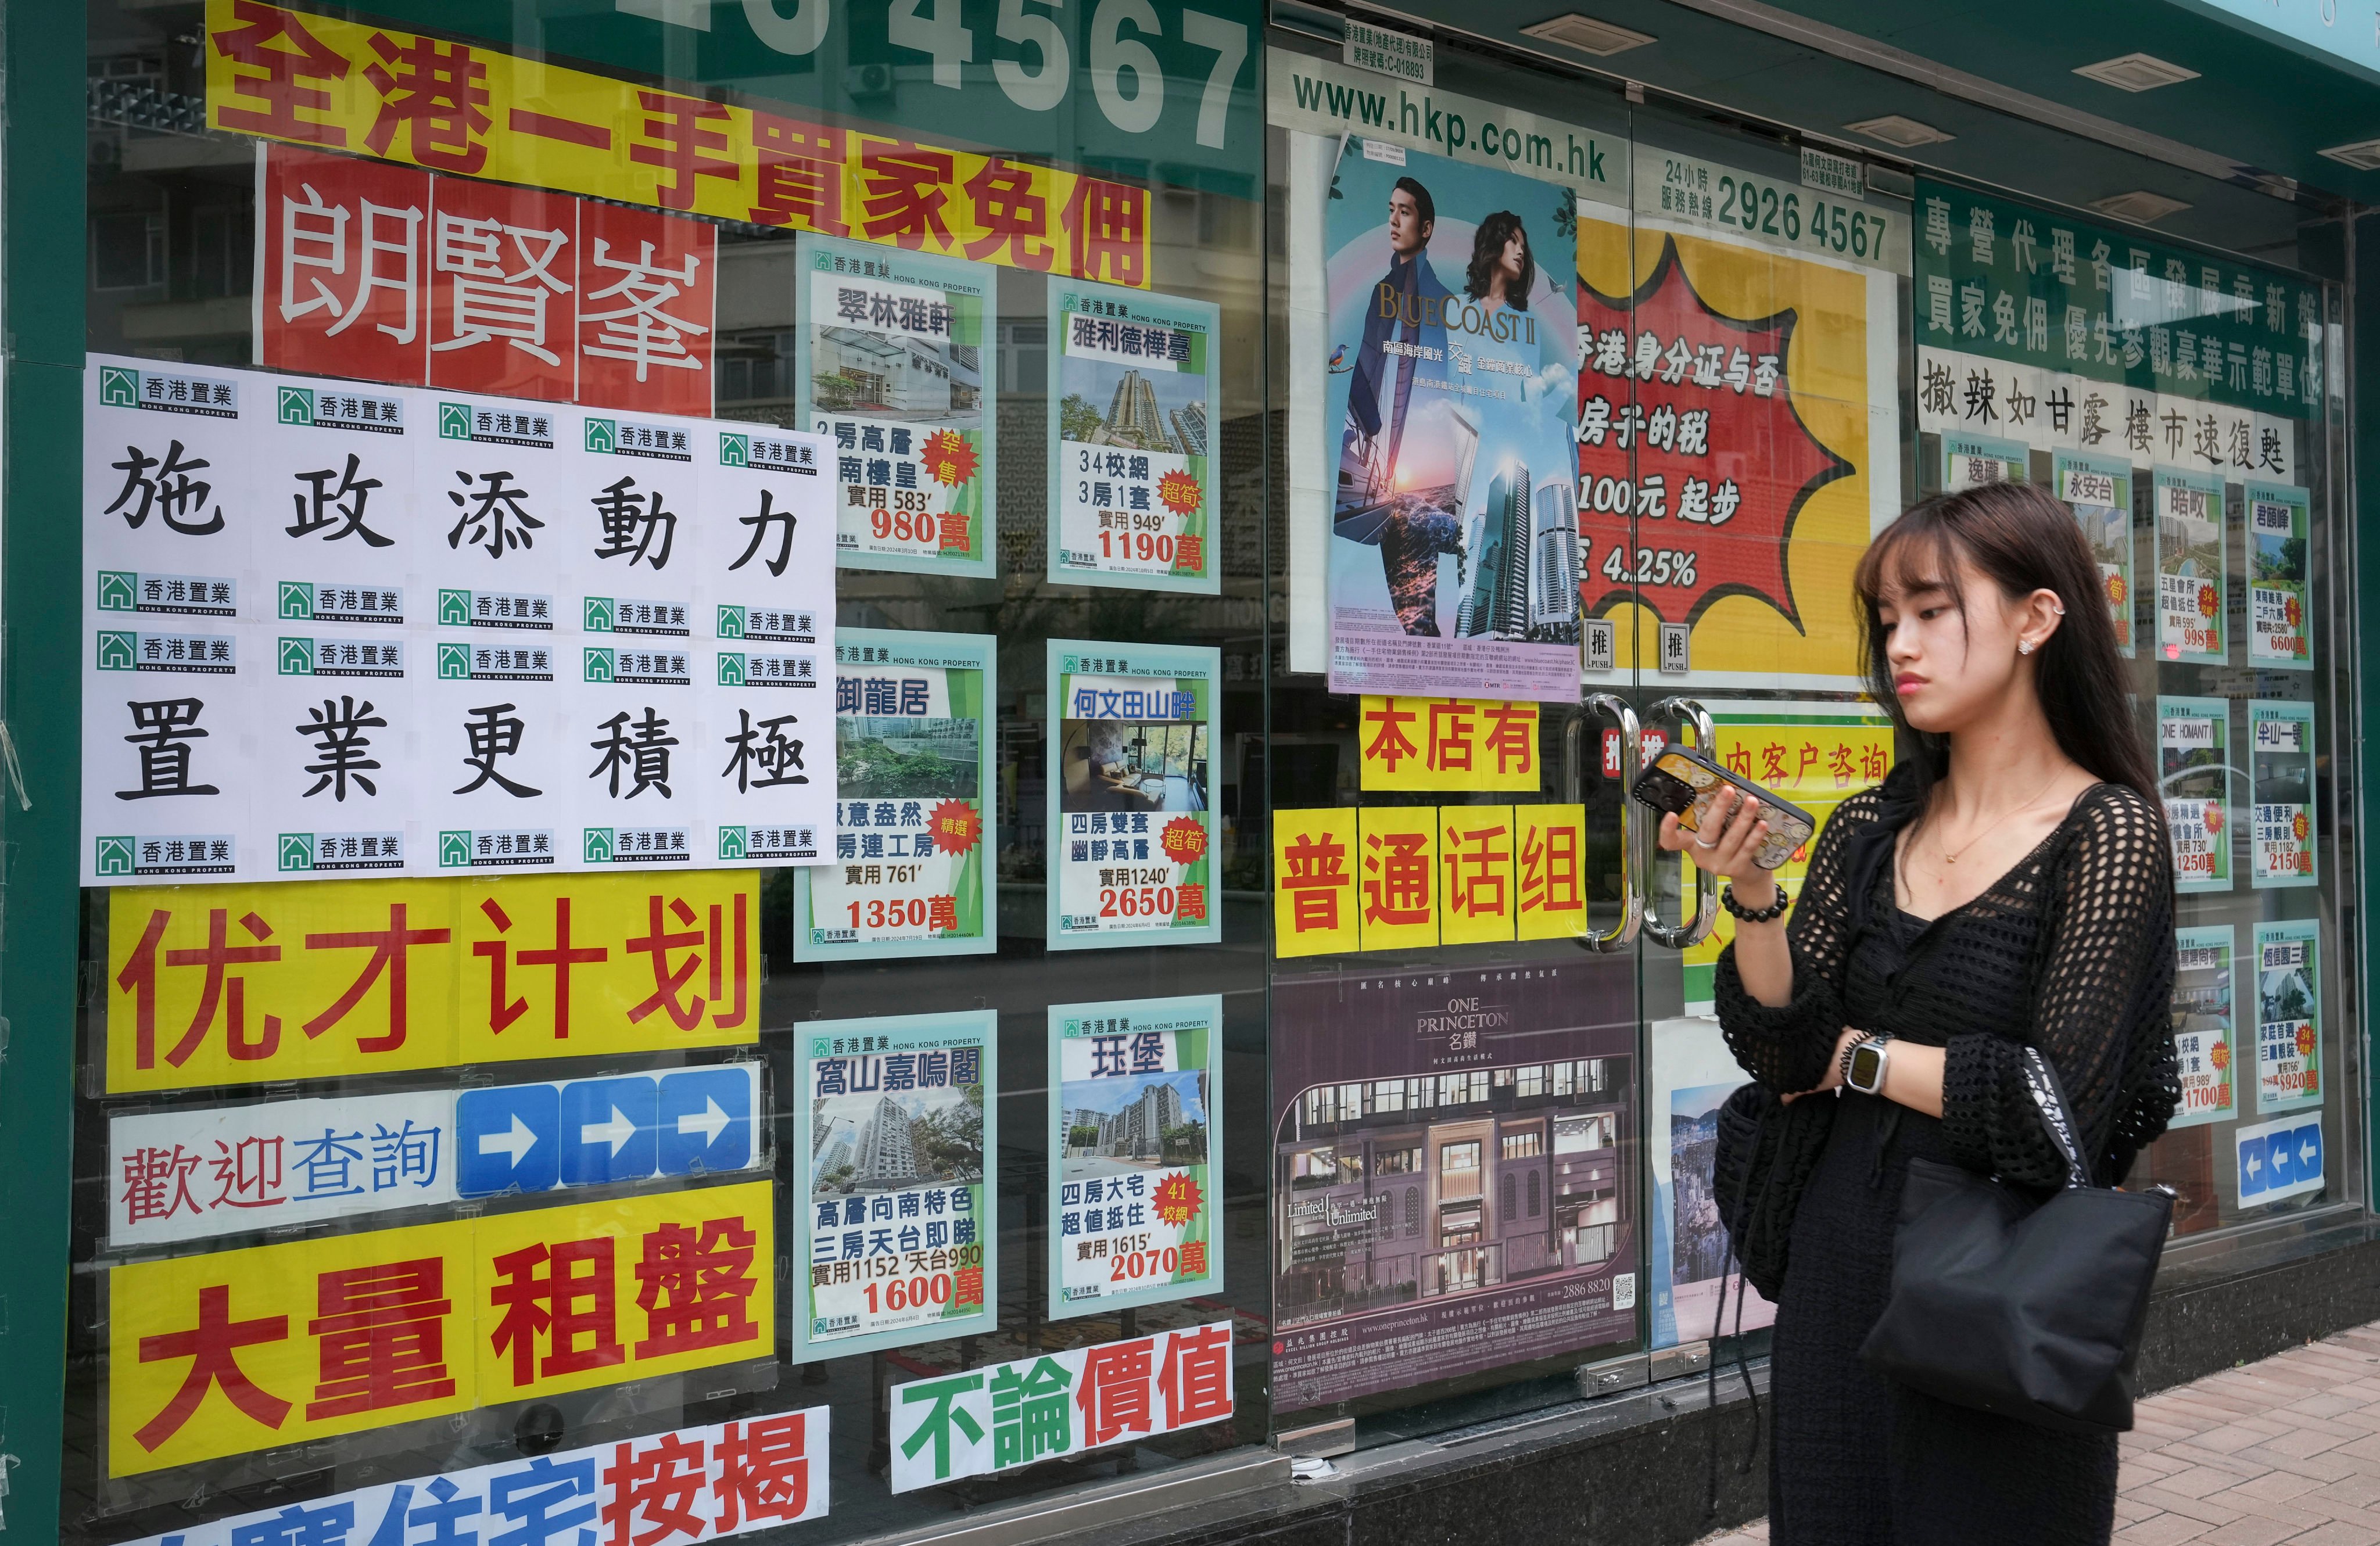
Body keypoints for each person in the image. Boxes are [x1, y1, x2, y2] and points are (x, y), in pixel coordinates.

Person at [1661, 481, 2180, 1545]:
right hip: (1834, 1269)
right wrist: (1753, 895)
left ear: (2037, 619)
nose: (1901, 644)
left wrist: (1857, 1058)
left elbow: (2050, 1109)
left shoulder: (2107, 835)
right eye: (1887, 619)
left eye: (1932, 611)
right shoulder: (1866, 827)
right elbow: (1778, 1044)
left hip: (2001, 1292)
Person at [1464, 210, 1535, 314]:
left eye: (1523, 249)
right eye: (1513, 240)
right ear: (1494, 242)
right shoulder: (1458, 306)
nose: (1521, 253)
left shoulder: (1527, 320)